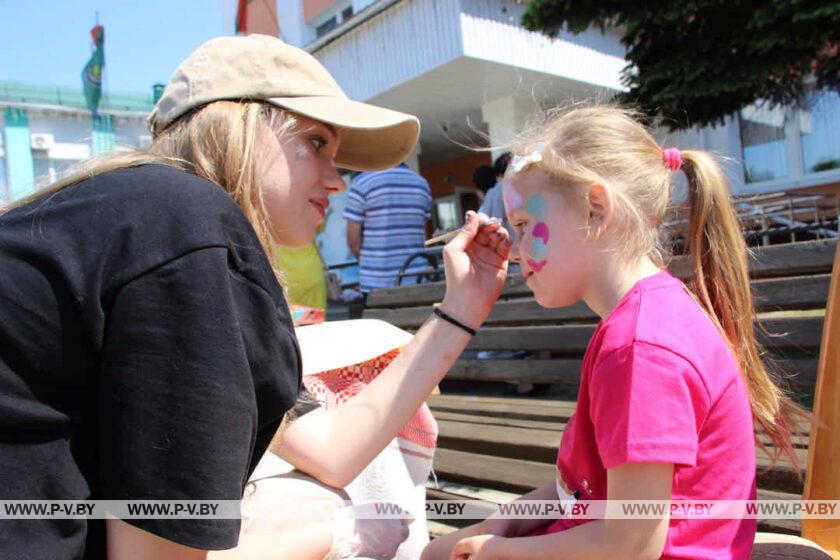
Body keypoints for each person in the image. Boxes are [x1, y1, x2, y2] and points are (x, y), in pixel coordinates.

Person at [0, 34, 511, 560]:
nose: (337, 183)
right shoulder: (182, 224)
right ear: (234, 124)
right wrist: (337, 538)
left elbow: (332, 450)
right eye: (316, 142)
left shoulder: (136, 216)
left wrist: (461, 309)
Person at [422, 106, 807, 560]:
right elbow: (583, 486)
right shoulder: (645, 319)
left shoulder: (640, 348)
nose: (517, 248)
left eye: (525, 226)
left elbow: (632, 543)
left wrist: (498, 551)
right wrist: (508, 520)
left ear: (595, 209)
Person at [344, 163, 432, 295]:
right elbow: (422, 232)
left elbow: (353, 241)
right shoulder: (421, 183)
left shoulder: (362, 182)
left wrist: (371, 266)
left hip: (377, 284)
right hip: (418, 279)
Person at [477, 152, 511, 222]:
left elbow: (485, 218)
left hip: (502, 231)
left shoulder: (493, 193)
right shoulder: (524, 186)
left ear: (498, 175)